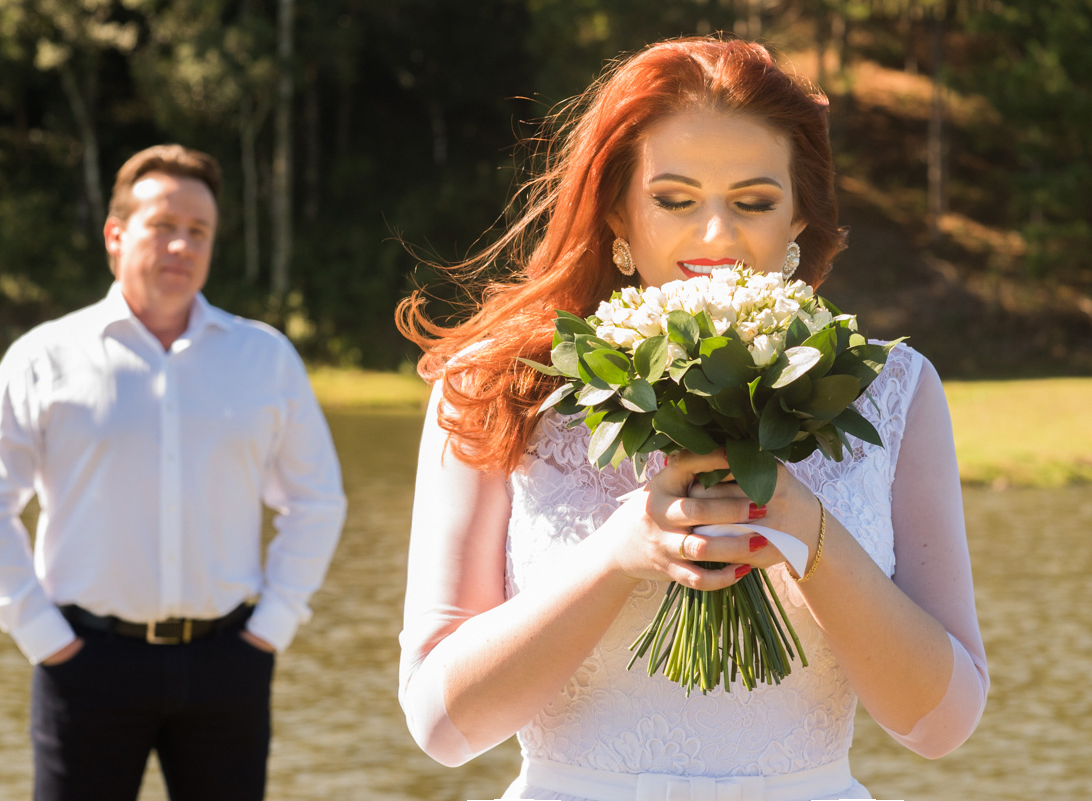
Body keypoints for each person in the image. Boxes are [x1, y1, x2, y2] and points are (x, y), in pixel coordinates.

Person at [395, 37, 987, 800]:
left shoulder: (888, 388)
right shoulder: (493, 386)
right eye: (674, 199)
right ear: (616, 212)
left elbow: (943, 726)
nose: (717, 236)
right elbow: (443, 727)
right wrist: (619, 551)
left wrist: (809, 534)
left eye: (754, 201)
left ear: (799, 216)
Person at [0, 144, 347, 801]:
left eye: (198, 232)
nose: (181, 246)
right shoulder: (45, 357)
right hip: (83, 663)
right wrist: (41, 633)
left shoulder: (264, 358)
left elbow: (317, 500)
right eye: (163, 226)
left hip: (229, 665)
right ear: (116, 234)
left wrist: (271, 625)